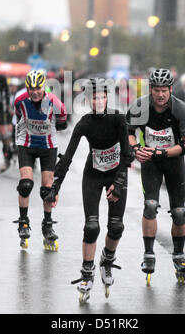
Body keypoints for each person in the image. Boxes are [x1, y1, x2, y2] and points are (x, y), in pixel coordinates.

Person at [49, 78, 132, 302]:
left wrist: (121, 181)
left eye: (102, 97)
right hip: (93, 175)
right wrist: (55, 186)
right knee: (91, 226)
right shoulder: (84, 123)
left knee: (116, 227)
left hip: (116, 175)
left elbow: (127, 153)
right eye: (94, 97)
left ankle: (107, 259)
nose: (99, 101)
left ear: (107, 98)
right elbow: (67, 157)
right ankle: (87, 274)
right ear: (88, 100)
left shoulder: (118, 119)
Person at [127, 68, 185, 285]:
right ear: (151, 89)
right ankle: (148, 254)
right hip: (150, 163)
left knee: (179, 212)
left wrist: (162, 151)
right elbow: (127, 133)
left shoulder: (180, 109)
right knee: (149, 205)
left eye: (164, 90)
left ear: (170, 89)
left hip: (173, 161)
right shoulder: (140, 107)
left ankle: (178, 254)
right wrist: (136, 148)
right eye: (156, 90)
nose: (160, 95)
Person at [13, 69, 67, 250]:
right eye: (31, 88)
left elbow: (63, 122)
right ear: (27, 88)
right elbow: (20, 118)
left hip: (47, 147)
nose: (35, 92)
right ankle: (23, 221)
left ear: (44, 87)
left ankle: (47, 225)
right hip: (26, 144)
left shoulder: (55, 103)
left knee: (47, 191)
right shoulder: (20, 101)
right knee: (26, 185)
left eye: (38, 88)